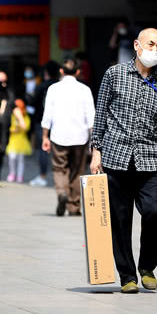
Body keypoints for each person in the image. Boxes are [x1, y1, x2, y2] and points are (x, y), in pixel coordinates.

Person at [90, 28, 157, 294]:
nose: (155, 50)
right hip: (116, 157)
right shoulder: (114, 75)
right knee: (120, 220)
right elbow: (101, 115)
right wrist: (96, 151)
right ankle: (127, 276)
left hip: (152, 159)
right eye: (151, 44)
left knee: (155, 212)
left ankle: (147, 266)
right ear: (136, 45)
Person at [41, 58, 94, 216]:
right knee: (77, 171)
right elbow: (91, 116)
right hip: (80, 137)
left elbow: (47, 115)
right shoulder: (85, 89)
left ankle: (62, 193)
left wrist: (45, 136)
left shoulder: (53, 89)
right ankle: (73, 206)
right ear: (78, 72)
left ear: (61, 71)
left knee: (59, 168)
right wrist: (93, 140)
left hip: (59, 135)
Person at [29, 60, 60, 188]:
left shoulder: (41, 86)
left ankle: (42, 176)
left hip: (42, 121)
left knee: (43, 148)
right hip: (59, 121)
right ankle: (60, 175)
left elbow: (34, 104)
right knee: (59, 149)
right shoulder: (60, 86)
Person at [6, 99, 32, 183]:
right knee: (12, 158)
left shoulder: (25, 117)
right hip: (13, 140)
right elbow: (8, 127)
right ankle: (12, 173)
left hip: (21, 140)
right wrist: (13, 129)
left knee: (20, 160)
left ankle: (20, 175)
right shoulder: (12, 116)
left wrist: (20, 118)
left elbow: (26, 127)